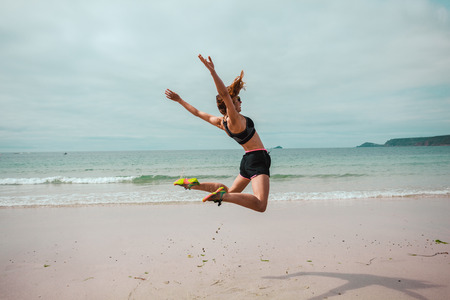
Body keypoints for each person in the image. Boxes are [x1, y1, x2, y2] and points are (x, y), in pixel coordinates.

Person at [165, 55, 270, 212]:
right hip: (256, 158)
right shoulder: (234, 118)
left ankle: (193, 184)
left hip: (248, 160)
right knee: (260, 204)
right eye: (238, 100)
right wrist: (212, 72)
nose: (241, 102)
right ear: (231, 106)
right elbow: (224, 94)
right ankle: (222, 196)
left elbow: (198, 112)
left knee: (230, 192)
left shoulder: (222, 122)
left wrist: (180, 100)